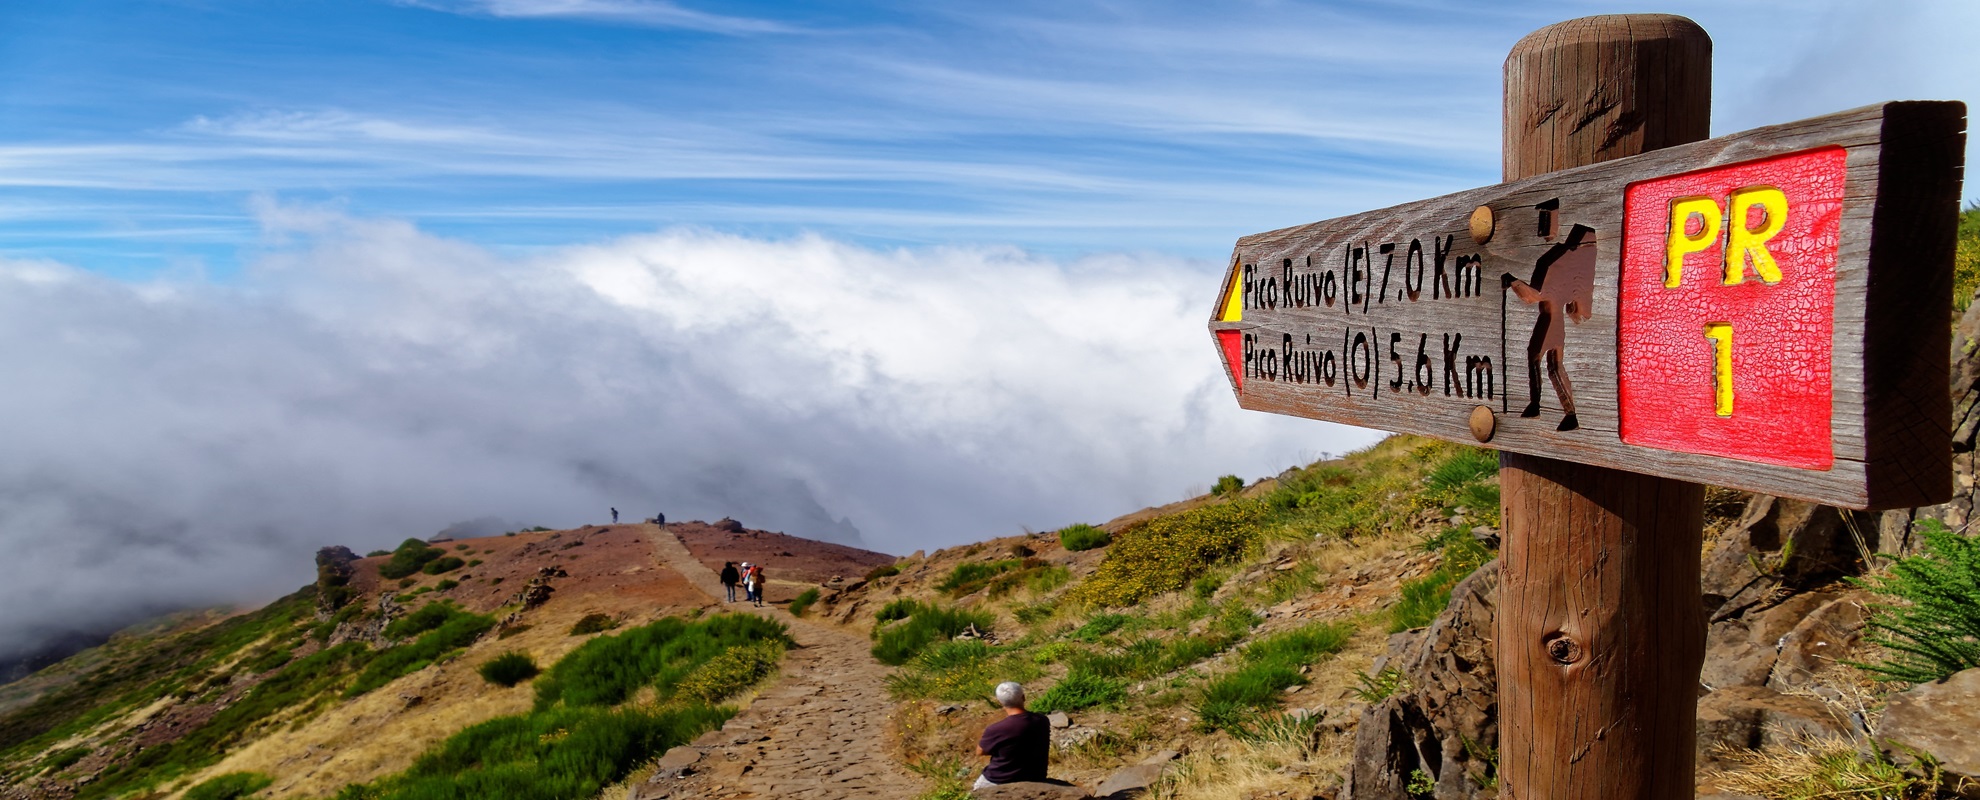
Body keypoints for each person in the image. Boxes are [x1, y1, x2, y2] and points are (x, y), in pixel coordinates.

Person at [975, 682, 1050, 789]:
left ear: (1000, 702)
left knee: (977, 790)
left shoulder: (996, 729)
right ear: (1023, 697)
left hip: (1001, 778)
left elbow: (980, 752)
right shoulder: (1042, 720)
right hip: (1034, 776)